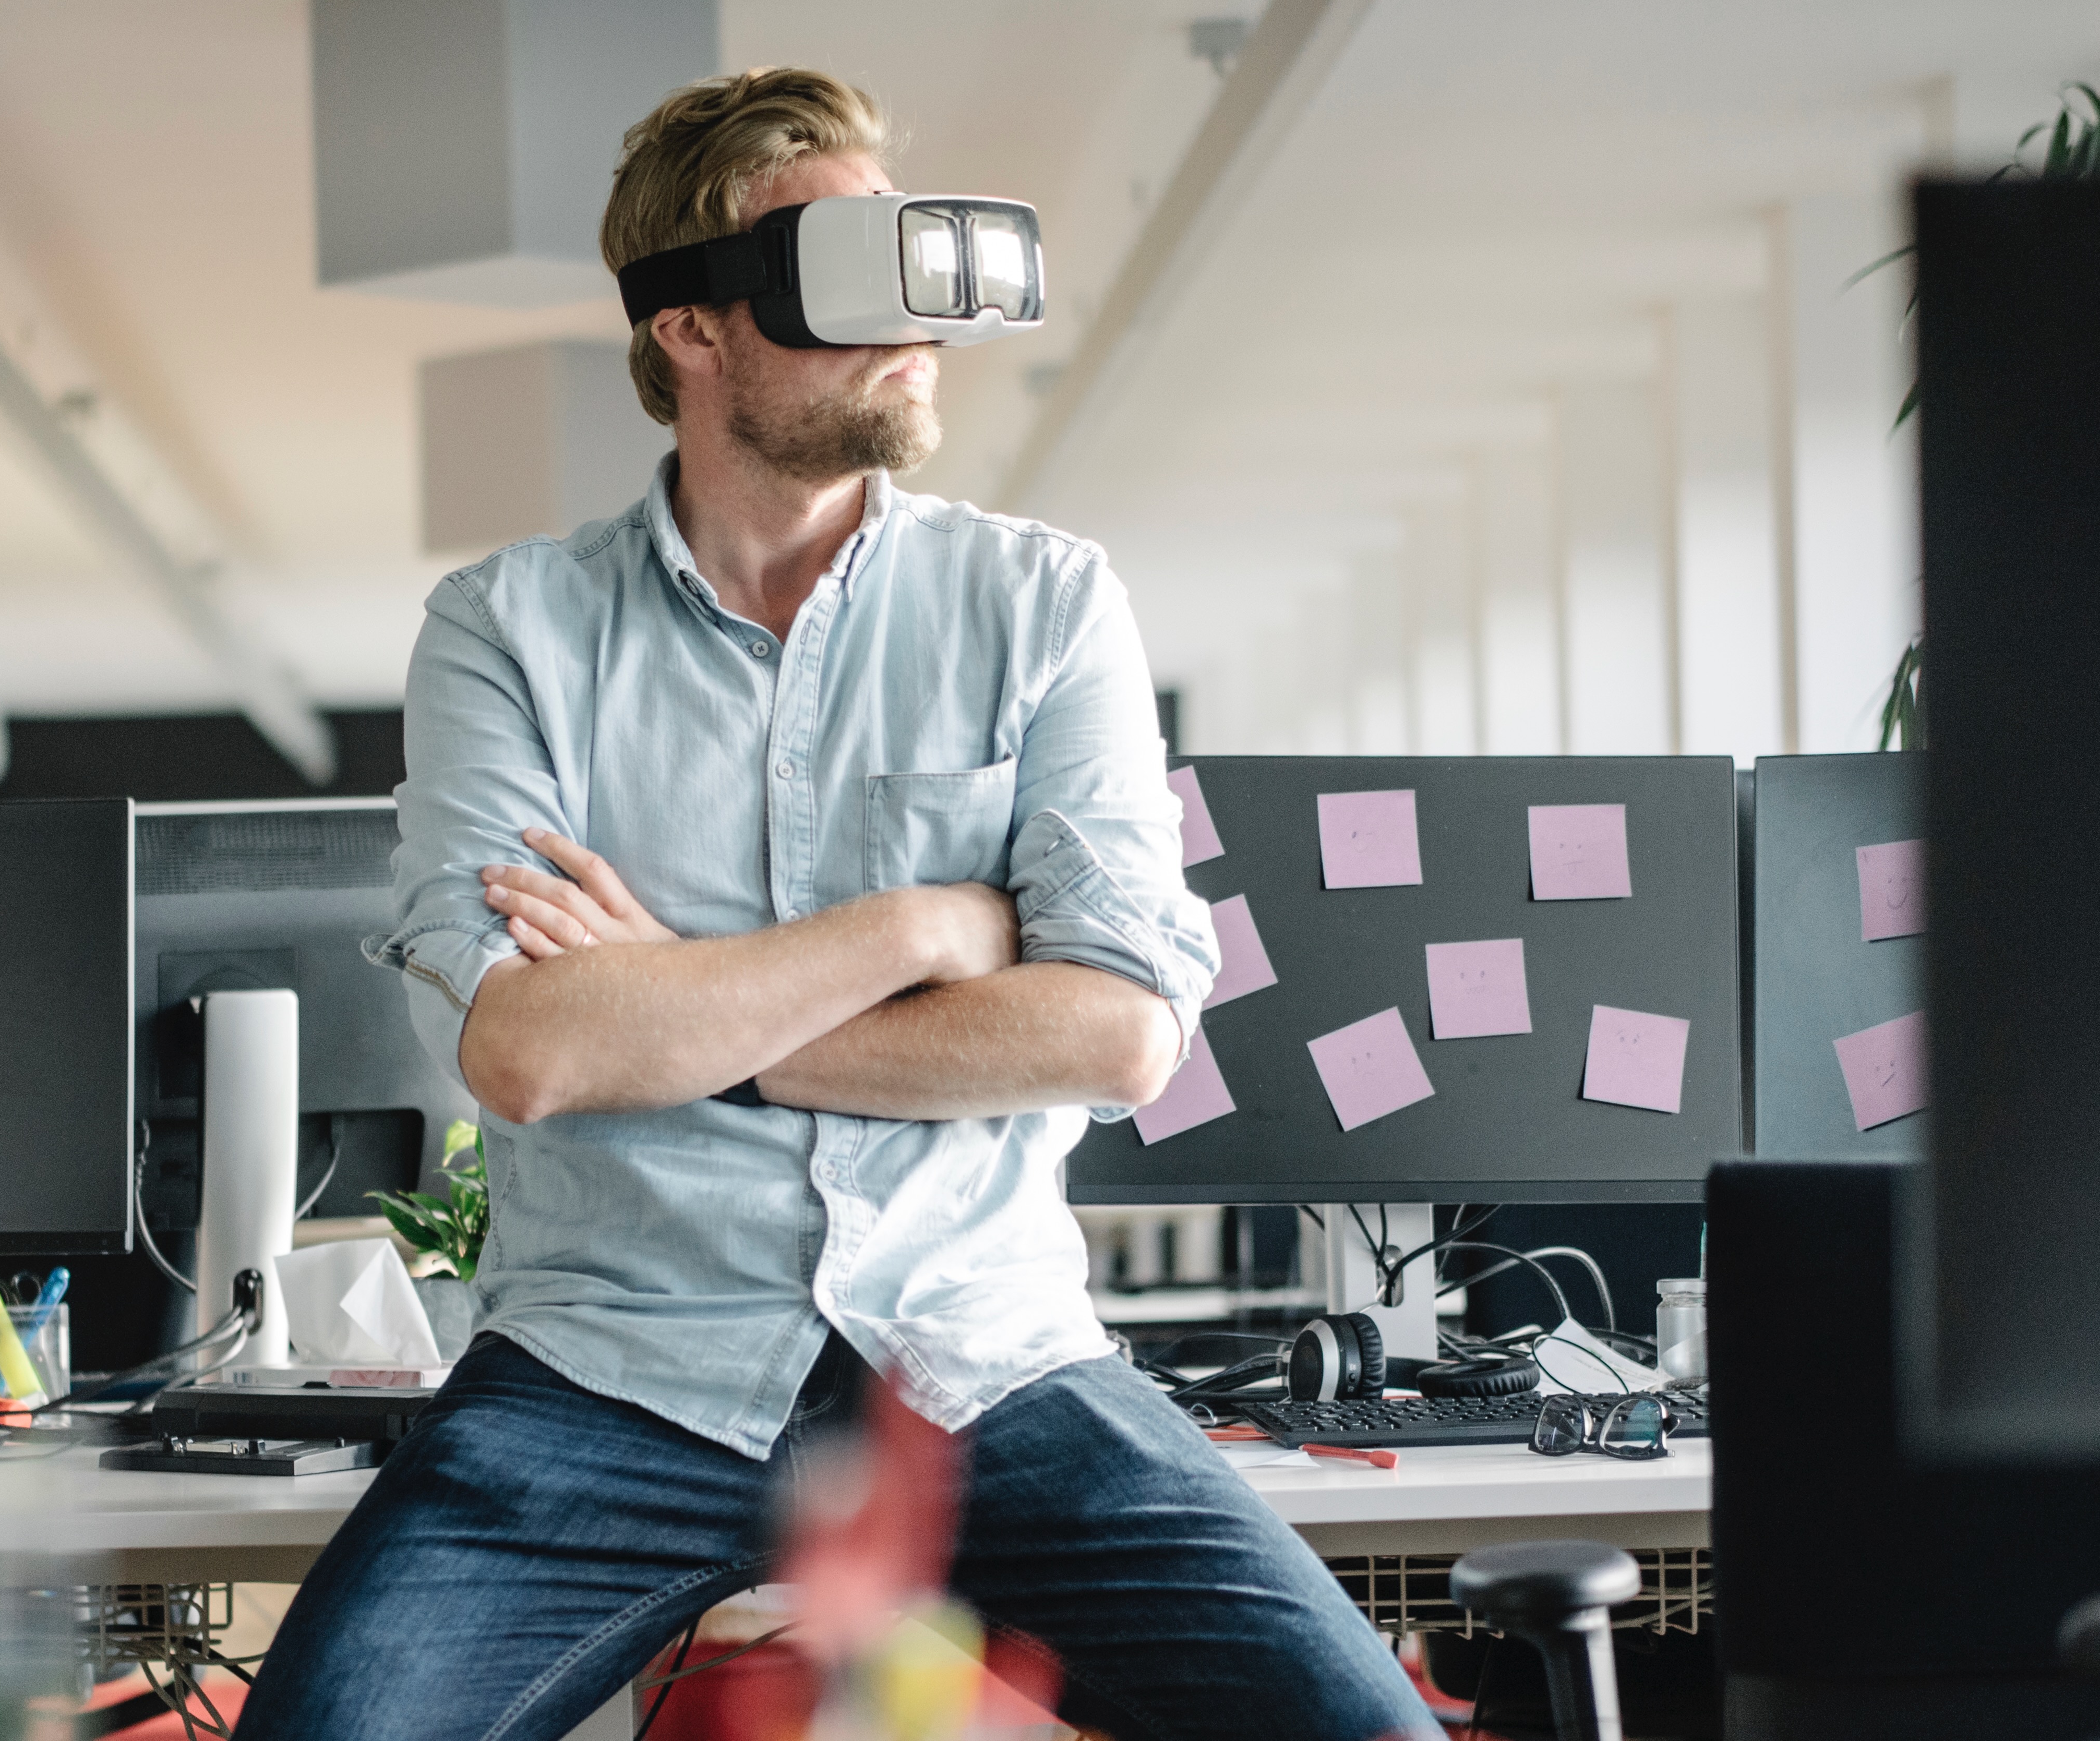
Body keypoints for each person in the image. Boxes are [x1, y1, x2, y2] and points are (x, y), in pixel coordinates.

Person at [235, 68, 1442, 1741]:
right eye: (845, 277)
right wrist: (923, 928)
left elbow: (1118, 1031)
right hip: (610, 1374)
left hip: (987, 1361)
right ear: (691, 328)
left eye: (917, 270)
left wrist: (679, 1006)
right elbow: (530, 1051)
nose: (916, 328)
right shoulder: (510, 630)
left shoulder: (1042, 603)